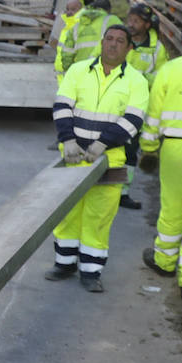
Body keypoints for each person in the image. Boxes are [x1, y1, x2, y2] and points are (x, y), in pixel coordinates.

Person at [47, 23, 149, 293]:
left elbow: (134, 120)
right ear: (102, 42)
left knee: (99, 217)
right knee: (67, 212)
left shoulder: (136, 81)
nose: (113, 44)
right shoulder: (78, 70)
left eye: (120, 41)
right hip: (72, 157)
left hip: (109, 161)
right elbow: (62, 105)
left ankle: (90, 272)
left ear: (129, 48)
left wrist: (103, 143)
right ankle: (64, 263)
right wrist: (67, 139)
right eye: (109, 38)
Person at [139, 37, 182, 301]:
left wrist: (148, 147)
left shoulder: (171, 69)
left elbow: (154, 114)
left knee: (172, 206)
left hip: (175, 147)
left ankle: (164, 261)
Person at [117, 3, 171, 209]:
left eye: (136, 21)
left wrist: (138, 78)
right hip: (112, 106)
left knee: (130, 153)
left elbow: (161, 79)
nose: (131, 24)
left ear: (147, 25)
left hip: (137, 110)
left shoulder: (157, 50)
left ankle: (123, 193)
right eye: (129, 19)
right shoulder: (119, 39)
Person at [55, 0, 121, 81]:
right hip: (104, 73)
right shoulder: (113, 21)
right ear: (108, 10)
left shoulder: (78, 21)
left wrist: (68, 69)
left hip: (80, 73)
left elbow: (68, 50)